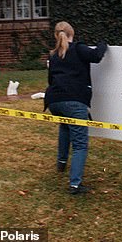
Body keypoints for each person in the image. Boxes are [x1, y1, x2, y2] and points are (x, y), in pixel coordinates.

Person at [45, 21, 107, 195]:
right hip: (74, 100)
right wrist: (103, 43)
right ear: (72, 33)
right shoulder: (78, 48)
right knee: (80, 144)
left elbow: (50, 79)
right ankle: (75, 184)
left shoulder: (53, 54)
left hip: (54, 101)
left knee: (65, 127)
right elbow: (96, 56)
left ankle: (61, 162)